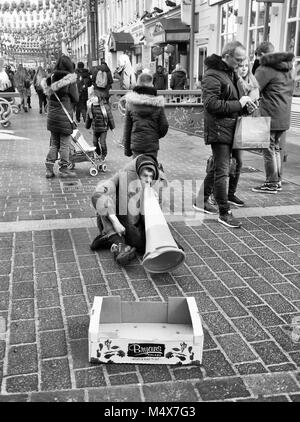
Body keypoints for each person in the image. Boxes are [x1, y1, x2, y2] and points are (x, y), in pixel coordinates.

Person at [193, 41, 256, 228]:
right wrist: (239, 104)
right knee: (222, 171)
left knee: (218, 168)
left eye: (243, 59)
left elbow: (234, 101)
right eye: (238, 59)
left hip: (231, 127)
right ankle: (224, 212)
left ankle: (201, 200)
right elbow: (211, 105)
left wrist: (246, 107)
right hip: (219, 129)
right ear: (227, 55)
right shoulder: (212, 75)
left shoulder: (231, 72)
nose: (241, 63)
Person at [90, 154, 160, 265]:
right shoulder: (122, 176)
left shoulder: (151, 186)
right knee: (104, 200)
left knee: (142, 245)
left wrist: (154, 201)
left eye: (151, 176)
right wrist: (115, 222)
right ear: (137, 173)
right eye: (145, 176)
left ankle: (109, 240)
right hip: (115, 222)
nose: (148, 180)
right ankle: (115, 240)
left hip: (132, 223)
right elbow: (97, 195)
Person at [251, 43, 295, 194]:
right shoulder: (288, 68)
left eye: (257, 57)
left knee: (268, 149)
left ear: (262, 54)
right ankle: (277, 181)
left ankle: (271, 182)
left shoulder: (265, 69)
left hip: (270, 114)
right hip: (284, 114)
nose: (256, 60)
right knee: (275, 148)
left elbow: (252, 88)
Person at [43, 55, 79, 178]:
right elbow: (76, 98)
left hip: (52, 116)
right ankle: (64, 169)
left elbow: (48, 95)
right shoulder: (70, 79)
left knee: (54, 143)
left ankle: (49, 169)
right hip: (64, 116)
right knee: (64, 144)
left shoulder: (51, 78)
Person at [123, 72, 169, 160]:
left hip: (137, 144)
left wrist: (127, 149)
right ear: (151, 84)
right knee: (151, 169)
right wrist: (155, 135)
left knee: (137, 168)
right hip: (151, 145)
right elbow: (164, 125)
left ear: (138, 83)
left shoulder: (131, 103)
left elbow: (127, 128)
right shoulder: (158, 103)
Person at [85, 88, 115, 161]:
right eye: (92, 97)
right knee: (94, 142)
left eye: (95, 97)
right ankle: (98, 154)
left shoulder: (105, 106)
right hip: (95, 128)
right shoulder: (91, 106)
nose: (93, 98)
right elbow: (89, 117)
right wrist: (87, 126)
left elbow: (110, 117)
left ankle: (104, 155)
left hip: (103, 128)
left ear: (99, 97)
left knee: (102, 143)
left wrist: (112, 127)